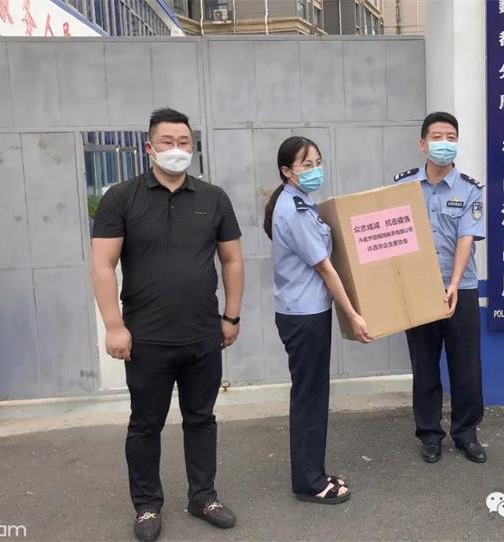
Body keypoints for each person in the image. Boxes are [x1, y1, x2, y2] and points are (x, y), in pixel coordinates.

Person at [91, 108, 244, 541]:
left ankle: (203, 497)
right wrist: (114, 326)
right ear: (149, 147)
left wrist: (231, 315)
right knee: (145, 424)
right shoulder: (121, 198)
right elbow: (102, 264)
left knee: (202, 418)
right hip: (146, 338)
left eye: (184, 142)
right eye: (167, 142)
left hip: (203, 334)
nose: (177, 149)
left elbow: (232, 260)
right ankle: (146, 506)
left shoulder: (213, 198)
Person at [264, 136, 372, 505]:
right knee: (309, 398)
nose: (315, 170)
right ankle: (310, 482)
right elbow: (325, 268)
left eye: (318, 163)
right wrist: (353, 314)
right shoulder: (294, 210)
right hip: (304, 315)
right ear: (287, 171)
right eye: (306, 165)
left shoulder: (302, 203)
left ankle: (313, 472)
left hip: (306, 311)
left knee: (312, 394)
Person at [393, 112, 487, 465]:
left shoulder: (470, 189)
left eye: (451, 137)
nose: (444, 143)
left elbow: (466, 238)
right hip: (418, 290)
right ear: (423, 144)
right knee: (425, 366)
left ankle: (466, 434)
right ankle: (429, 434)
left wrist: (453, 284)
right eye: (437, 136)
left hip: (461, 288)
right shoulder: (403, 187)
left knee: (466, 367)